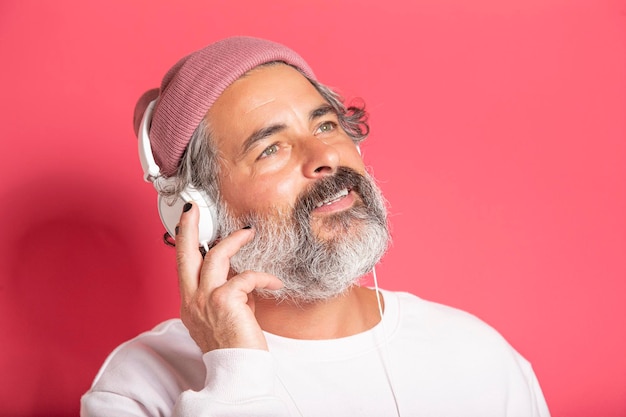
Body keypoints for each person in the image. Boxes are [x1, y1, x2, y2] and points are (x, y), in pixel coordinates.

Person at [81, 36, 550, 417]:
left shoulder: (477, 355)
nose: (326, 157)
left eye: (325, 126)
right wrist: (235, 375)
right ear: (197, 211)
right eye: (271, 149)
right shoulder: (136, 388)